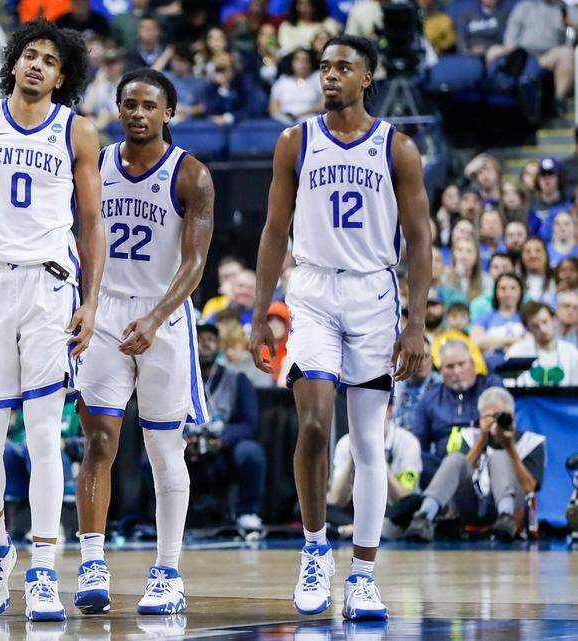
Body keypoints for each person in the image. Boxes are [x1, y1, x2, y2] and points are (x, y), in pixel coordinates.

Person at [248, 35, 432, 621]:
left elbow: (422, 239)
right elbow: (274, 231)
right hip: (312, 291)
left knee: (369, 443)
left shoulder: (396, 147)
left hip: (374, 293)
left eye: (342, 67)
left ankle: (364, 576)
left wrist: (417, 324)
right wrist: (258, 312)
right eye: (324, 67)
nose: (329, 76)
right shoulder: (294, 142)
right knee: (314, 423)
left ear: (368, 76)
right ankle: (314, 549)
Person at [0, 19, 103, 622]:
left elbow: (92, 223)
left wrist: (91, 300)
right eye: (28, 55)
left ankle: (41, 568)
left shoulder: (77, 131)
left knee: (42, 435)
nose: (35, 66)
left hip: (49, 287)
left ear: (63, 77)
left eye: (48, 61)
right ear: (13, 62)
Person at [70, 69, 214, 616]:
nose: (136, 113)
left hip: (165, 318)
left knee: (162, 448)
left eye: (148, 105)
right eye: (128, 103)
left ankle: (167, 570)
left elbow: (196, 261)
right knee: (99, 443)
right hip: (104, 313)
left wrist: (155, 317)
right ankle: (91, 561)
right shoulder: (96, 164)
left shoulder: (191, 174)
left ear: (167, 113)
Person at [404, 387, 544, 541]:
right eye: (491, 416)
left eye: (502, 416)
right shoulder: (470, 436)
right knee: (455, 458)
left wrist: (509, 447)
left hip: (511, 506)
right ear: (481, 418)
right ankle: (423, 517)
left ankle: (506, 518)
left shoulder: (532, 441)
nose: (497, 421)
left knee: (499, 457)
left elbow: (531, 488)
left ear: (514, 417)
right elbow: (460, 472)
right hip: (472, 504)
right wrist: (482, 439)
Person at [196, 322, 266, 529]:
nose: (205, 345)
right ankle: (154, 518)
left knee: (251, 452)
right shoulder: (178, 379)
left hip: (223, 444)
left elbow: (249, 423)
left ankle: (248, 512)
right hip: (186, 443)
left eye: (210, 340)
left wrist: (222, 440)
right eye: (199, 340)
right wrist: (183, 437)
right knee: (153, 455)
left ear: (218, 345)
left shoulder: (237, 378)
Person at [328, 401, 422, 538]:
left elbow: (404, 496)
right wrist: (351, 458)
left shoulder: (408, 442)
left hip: (390, 507)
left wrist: (379, 459)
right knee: (305, 507)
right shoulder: (345, 443)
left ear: (389, 411)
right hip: (356, 508)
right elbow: (337, 498)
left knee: (414, 502)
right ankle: (364, 528)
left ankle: (350, 530)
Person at [411, 339, 504, 468]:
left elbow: (501, 428)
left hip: (484, 460)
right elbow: (417, 443)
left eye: (461, 364)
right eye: (450, 366)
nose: (457, 371)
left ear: (472, 364)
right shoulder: (430, 398)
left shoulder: (490, 386)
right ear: (441, 370)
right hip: (442, 467)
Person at [507, 300, 578, 386]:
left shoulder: (571, 352)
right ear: (528, 328)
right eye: (535, 326)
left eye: (545, 322)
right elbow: (509, 386)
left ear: (553, 319)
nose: (542, 329)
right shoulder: (517, 352)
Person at [470, 272, 527, 355]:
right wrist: (514, 340)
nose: (508, 293)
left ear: (520, 292)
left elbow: (532, 341)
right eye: (503, 288)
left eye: (513, 288)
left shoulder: (526, 317)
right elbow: (476, 342)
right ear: (496, 292)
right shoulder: (484, 317)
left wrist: (492, 341)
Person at [269, 48, 324, 124]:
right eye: (297, 59)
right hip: (284, 122)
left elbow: (323, 105)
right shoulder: (282, 81)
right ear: (291, 62)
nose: (301, 63)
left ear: (311, 62)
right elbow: (273, 109)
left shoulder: (317, 78)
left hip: (310, 119)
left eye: (305, 60)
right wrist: (286, 116)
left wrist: (301, 114)